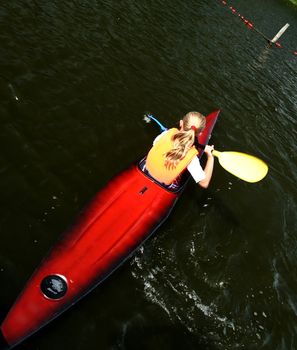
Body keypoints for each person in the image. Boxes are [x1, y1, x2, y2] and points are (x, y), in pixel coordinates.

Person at [145, 111, 214, 189]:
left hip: (145, 169)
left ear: (181, 123)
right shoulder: (192, 157)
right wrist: (210, 157)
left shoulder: (166, 134)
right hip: (164, 185)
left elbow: (155, 143)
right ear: (199, 134)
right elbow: (204, 183)